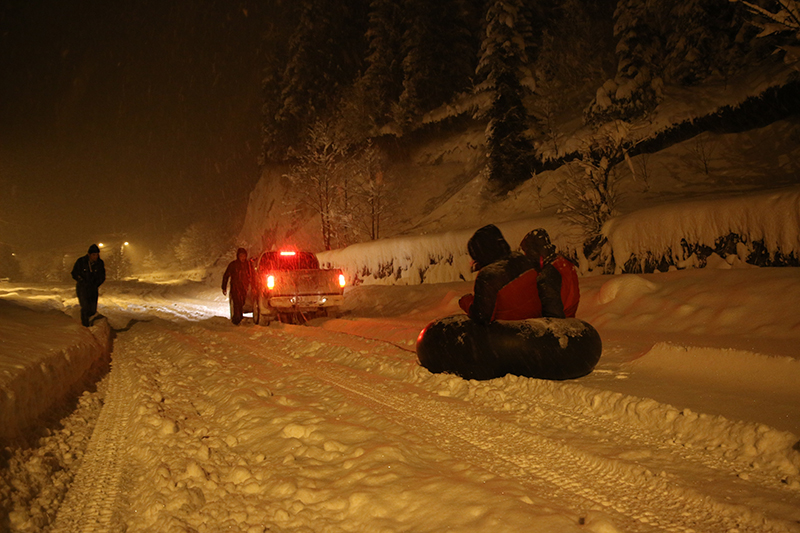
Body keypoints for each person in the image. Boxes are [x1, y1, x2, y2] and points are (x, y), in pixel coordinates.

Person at [458, 224, 540, 324]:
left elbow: (481, 317)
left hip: (509, 330)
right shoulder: (521, 259)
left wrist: (467, 302)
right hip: (536, 322)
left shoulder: (488, 276)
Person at [520, 228, 580, 318]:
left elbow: (552, 309)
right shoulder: (563, 263)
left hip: (558, 322)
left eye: (527, 253)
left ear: (533, 252)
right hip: (569, 317)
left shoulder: (549, 273)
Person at [71, 244, 106, 327]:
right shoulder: (81, 261)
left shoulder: (100, 263)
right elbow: (74, 273)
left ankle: (91, 322)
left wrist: (96, 283)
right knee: (85, 307)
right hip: (82, 288)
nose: (95, 256)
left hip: (93, 288)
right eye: (94, 254)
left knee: (92, 308)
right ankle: (85, 325)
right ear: (89, 254)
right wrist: (81, 281)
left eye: (97, 254)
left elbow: (102, 275)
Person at [222, 247, 254, 325]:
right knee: (237, 303)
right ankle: (237, 318)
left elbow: (253, 276)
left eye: (244, 256)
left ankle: (239, 316)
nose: (243, 258)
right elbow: (226, 275)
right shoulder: (233, 265)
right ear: (238, 256)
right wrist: (224, 287)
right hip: (235, 287)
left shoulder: (248, 265)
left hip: (244, 288)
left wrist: (253, 285)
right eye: (241, 256)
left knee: (242, 302)